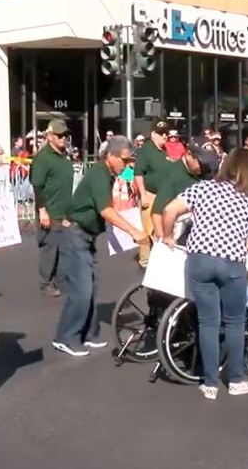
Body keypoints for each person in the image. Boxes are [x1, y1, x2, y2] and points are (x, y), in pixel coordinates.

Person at [161, 149, 248, 399]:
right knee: (235, 322)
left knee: (208, 322)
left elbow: (169, 211)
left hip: (200, 262)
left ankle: (210, 383)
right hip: (231, 265)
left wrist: (167, 235)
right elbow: (247, 245)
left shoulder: (202, 189)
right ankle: (236, 380)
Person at [53, 136, 148, 357]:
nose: (126, 165)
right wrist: (133, 231)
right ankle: (66, 338)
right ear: (111, 156)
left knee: (91, 288)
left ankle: (85, 335)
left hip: (86, 236)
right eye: (124, 160)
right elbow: (105, 210)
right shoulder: (98, 174)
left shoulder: (109, 174)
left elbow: (131, 180)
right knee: (81, 291)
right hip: (75, 235)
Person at [28, 119, 73, 298]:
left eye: (65, 135)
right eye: (60, 135)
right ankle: (46, 282)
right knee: (50, 248)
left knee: (63, 248)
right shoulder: (43, 157)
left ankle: (59, 280)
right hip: (50, 209)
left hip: (64, 210)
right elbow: (37, 186)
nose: (64, 138)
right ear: (50, 136)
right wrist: (42, 210)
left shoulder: (63, 155)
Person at [150, 137, 220, 236]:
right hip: (177, 233)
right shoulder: (173, 175)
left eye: (208, 163)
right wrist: (162, 238)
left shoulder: (207, 172)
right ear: (188, 155)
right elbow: (157, 212)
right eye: (201, 163)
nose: (205, 167)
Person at [133, 120, 172, 269]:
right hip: (149, 193)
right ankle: (145, 260)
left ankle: (157, 257)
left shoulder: (164, 151)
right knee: (146, 228)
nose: (165, 136)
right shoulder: (146, 150)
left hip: (163, 195)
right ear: (153, 134)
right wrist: (142, 194)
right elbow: (138, 173)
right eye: (161, 133)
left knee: (160, 228)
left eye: (166, 133)